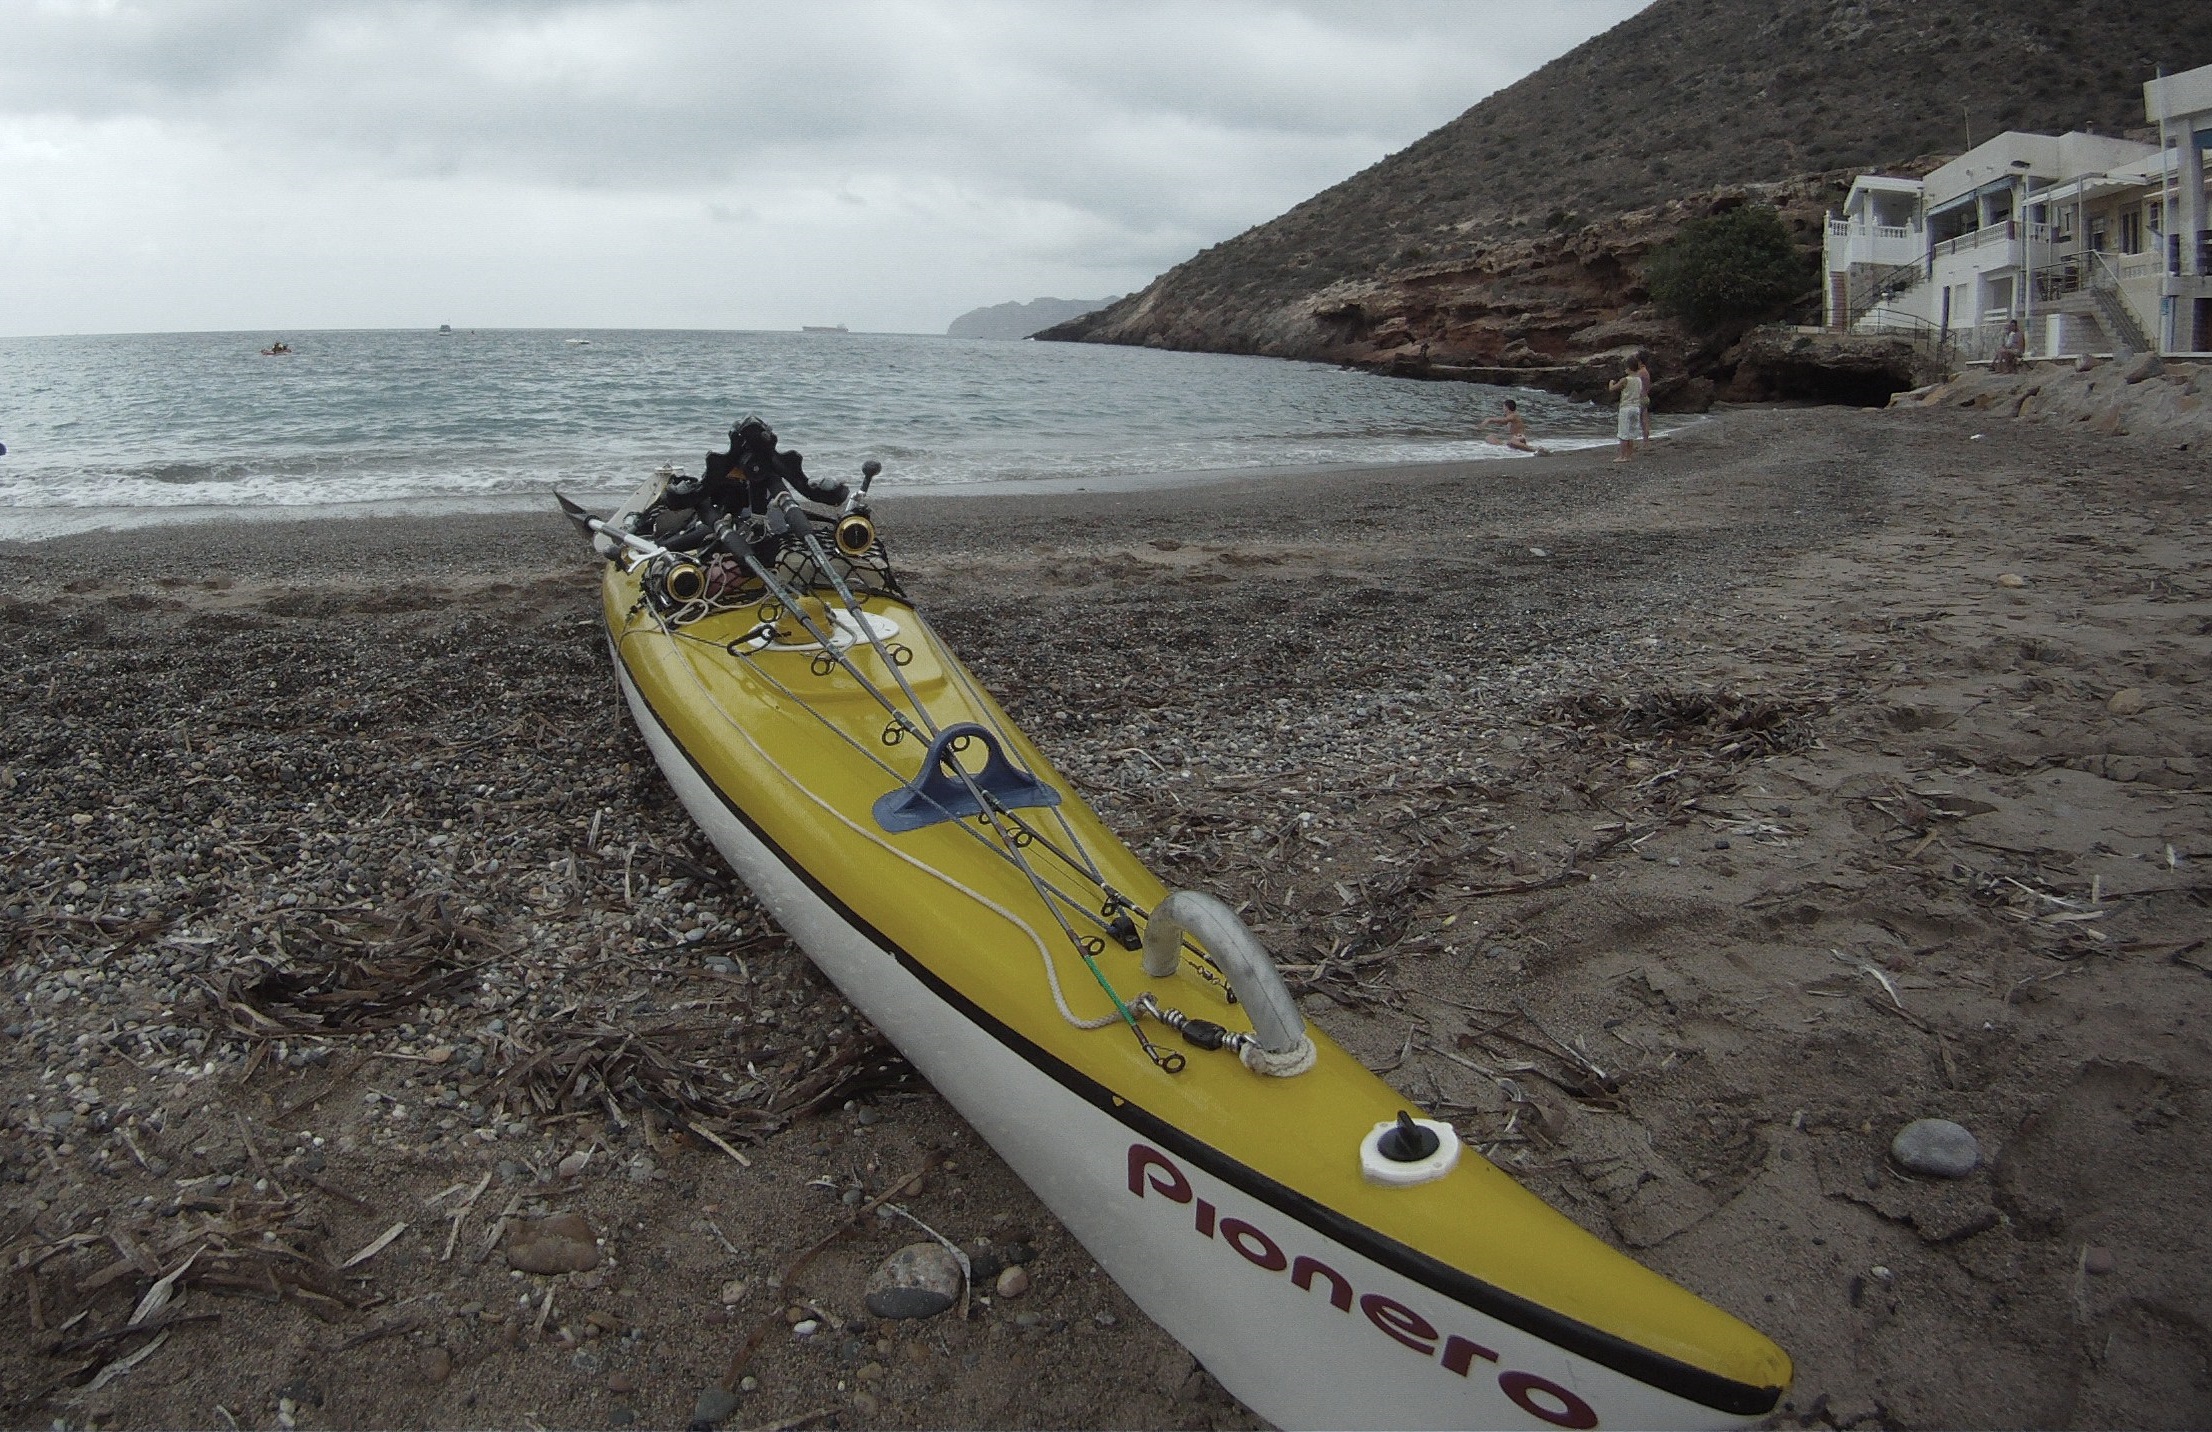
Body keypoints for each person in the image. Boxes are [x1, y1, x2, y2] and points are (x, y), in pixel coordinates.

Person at [1474, 398, 1547, 455]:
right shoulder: (1509, 416)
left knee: (1512, 442)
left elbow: (1503, 421)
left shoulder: (1514, 415)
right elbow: (1502, 422)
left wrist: (1489, 419)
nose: (1503, 409)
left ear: (1506, 407)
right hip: (1513, 438)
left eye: (1503, 407)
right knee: (1489, 437)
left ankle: (1536, 450)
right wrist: (1482, 425)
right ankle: (1504, 447)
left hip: (1520, 437)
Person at [1607, 359, 1644, 462]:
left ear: (1628, 368)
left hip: (1626, 407)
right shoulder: (1639, 380)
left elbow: (1612, 389)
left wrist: (1611, 382)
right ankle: (1628, 455)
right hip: (1636, 407)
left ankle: (1622, 456)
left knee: (1623, 433)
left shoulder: (1625, 379)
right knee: (1631, 433)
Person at [1635, 355, 1655, 442]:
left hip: (1640, 398)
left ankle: (1631, 441)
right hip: (1646, 397)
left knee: (1635, 421)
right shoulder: (1646, 372)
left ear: (1640, 362)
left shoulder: (1640, 372)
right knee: (1644, 420)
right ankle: (1646, 441)